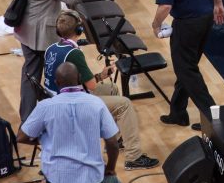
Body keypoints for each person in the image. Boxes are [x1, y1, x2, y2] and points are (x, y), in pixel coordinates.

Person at [42, 11, 159, 171]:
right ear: (79, 31)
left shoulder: (52, 48)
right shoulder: (74, 53)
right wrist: (99, 76)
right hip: (70, 105)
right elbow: (90, 85)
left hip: (56, 97)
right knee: (124, 104)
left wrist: (101, 76)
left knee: (111, 88)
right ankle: (134, 157)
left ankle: (116, 138)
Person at [13, 0, 109, 122]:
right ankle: (56, 115)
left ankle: (28, 118)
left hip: (24, 27)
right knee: (57, 76)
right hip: (41, 35)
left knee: (29, 75)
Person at [151, 0, 223, 130]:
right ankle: (178, 112)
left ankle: (212, 117)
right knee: (187, 65)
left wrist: (155, 24)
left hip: (188, 23)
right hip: (206, 19)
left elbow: (165, 6)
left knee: (186, 69)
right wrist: (219, 3)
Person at [17, 62, 121, 183]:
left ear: (56, 82)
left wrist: (44, 140)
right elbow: (113, 143)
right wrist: (110, 168)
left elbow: (21, 137)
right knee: (114, 182)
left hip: (57, 178)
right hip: (91, 178)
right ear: (79, 79)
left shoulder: (45, 106)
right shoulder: (96, 103)